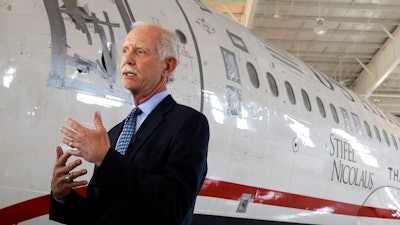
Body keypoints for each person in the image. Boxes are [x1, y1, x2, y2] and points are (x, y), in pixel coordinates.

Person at [49, 21, 209, 225]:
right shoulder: (116, 133)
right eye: (125, 50)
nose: (128, 60)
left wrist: (106, 159)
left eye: (140, 51)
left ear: (168, 66)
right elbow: (100, 215)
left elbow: (173, 207)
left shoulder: (189, 124)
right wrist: (61, 196)